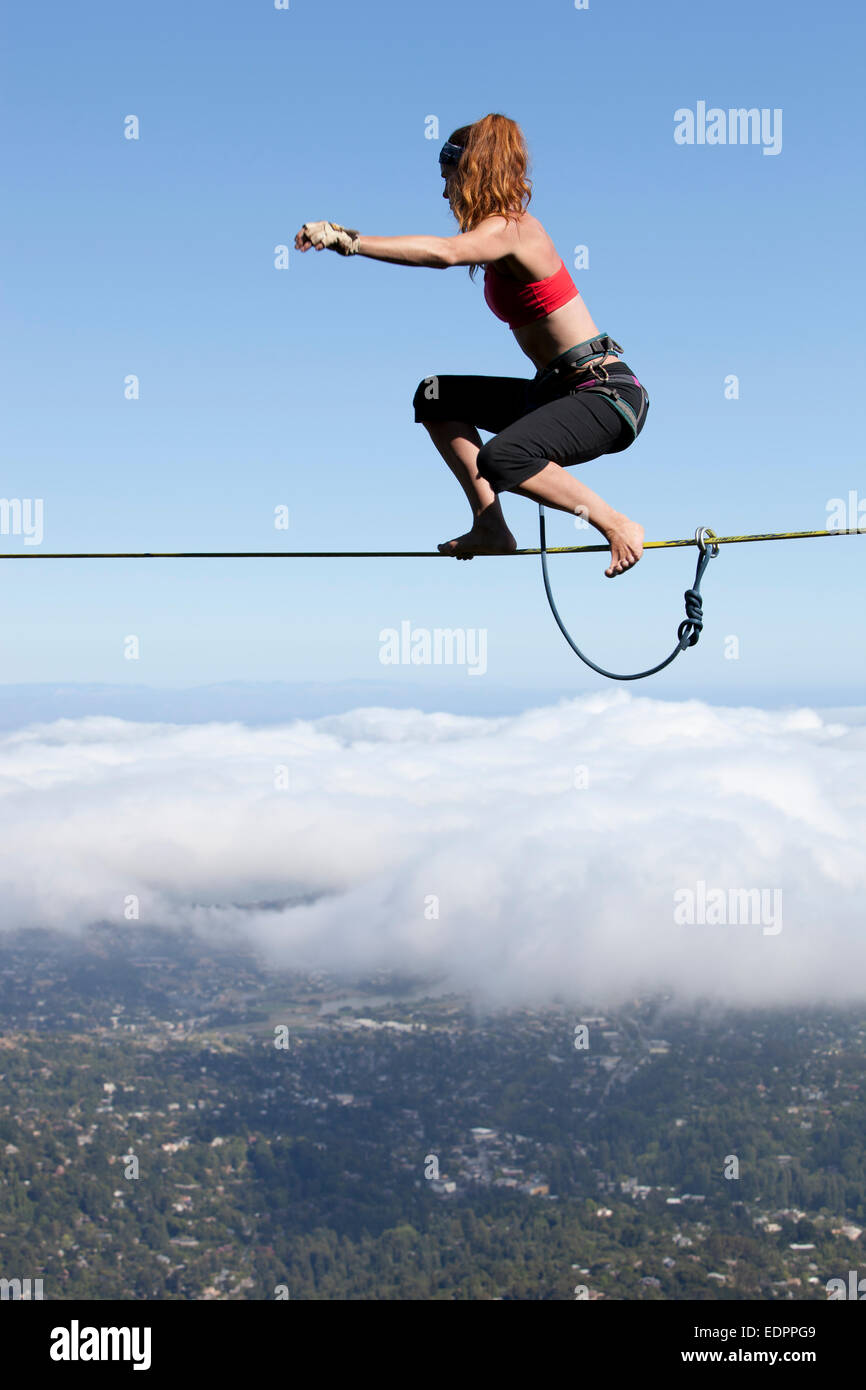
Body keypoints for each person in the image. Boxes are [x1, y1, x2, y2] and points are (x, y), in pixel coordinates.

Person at [294, 112, 649, 576]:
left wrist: (349, 241)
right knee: (435, 395)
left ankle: (615, 522)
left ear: (473, 172)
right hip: (553, 392)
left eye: (449, 180)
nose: (445, 193)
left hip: (604, 394)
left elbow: (444, 253)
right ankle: (491, 527)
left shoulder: (517, 230)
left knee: (503, 457)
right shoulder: (497, 234)